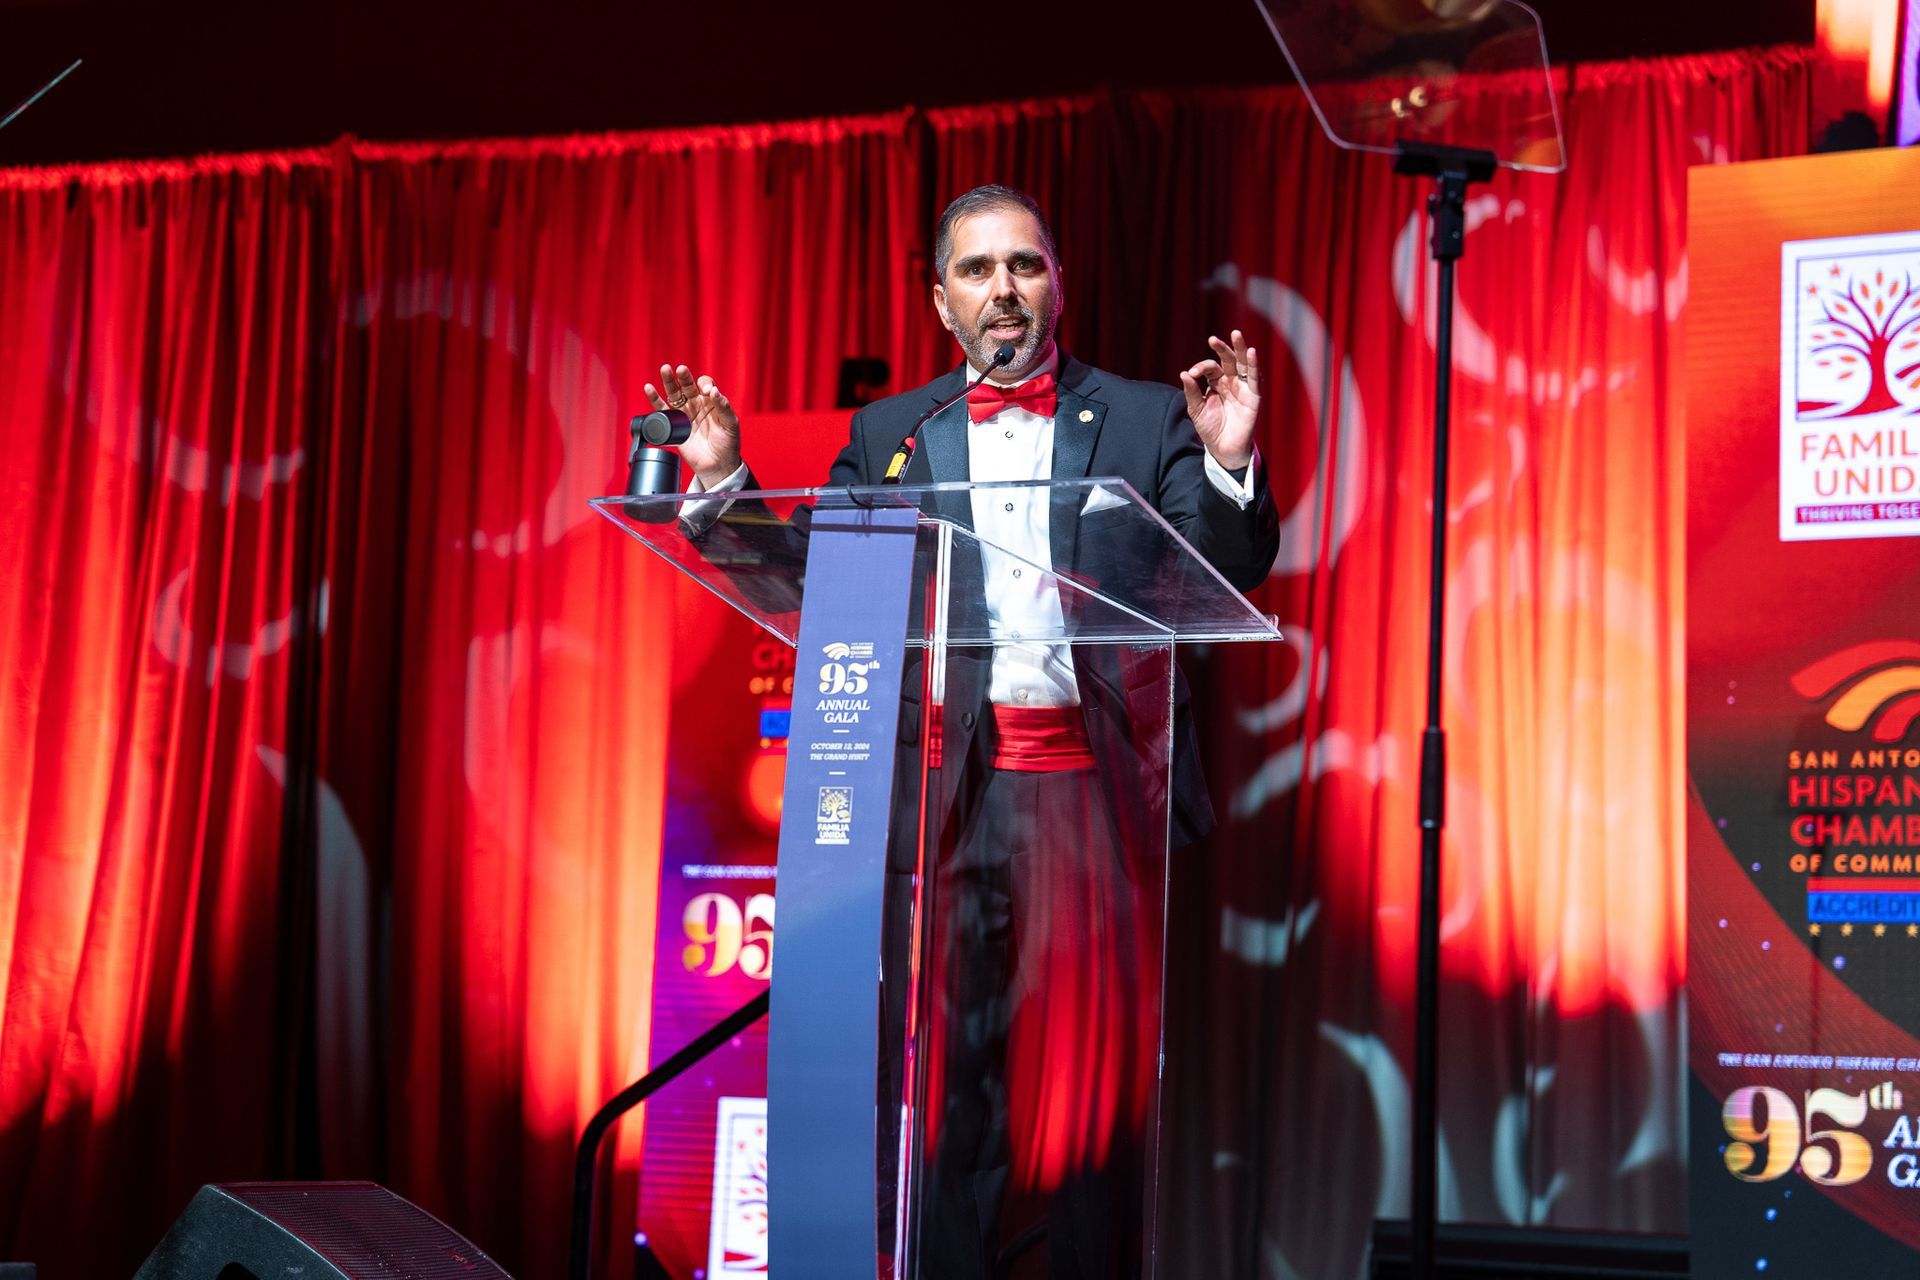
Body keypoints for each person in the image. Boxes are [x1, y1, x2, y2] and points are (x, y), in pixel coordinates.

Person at [648, 185, 1280, 1278]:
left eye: (1024, 265)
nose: (1004, 289)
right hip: (949, 794)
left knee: (1093, 1102)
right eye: (977, 270)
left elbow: (1221, 569)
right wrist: (722, 481)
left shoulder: (1144, 417)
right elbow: (813, 587)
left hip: (1093, 793)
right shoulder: (894, 433)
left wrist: (1227, 461)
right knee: (951, 1096)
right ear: (943, 302)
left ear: (1058, 285)